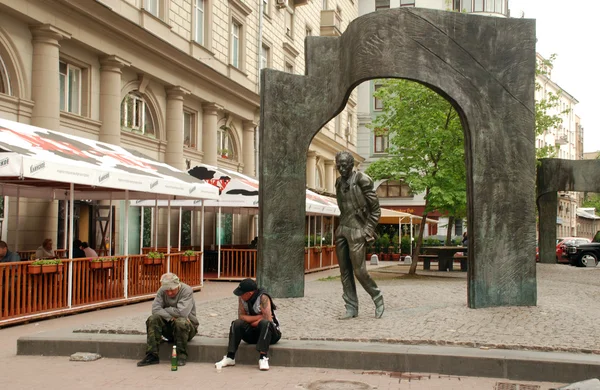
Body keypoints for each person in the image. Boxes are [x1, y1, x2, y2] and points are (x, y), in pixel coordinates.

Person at [334, 151, 384, 320]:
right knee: (345, 272)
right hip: (342, 229)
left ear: (351, 164)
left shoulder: (362, 179)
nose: (341, 168)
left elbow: (376, 210)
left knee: (359, 271)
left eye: (344, 165)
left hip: (357, 230)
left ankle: (377, 298)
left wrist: (367, 230)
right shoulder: (338, 182)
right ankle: (351, 307)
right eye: (338, 165)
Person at [215, 278, 281, 371]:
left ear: (249, 293)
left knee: (265, 324)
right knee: (236, 323)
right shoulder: (242, 298)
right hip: (253, 332)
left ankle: (263, 357)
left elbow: (268, 320)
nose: (240, 295)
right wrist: (259, 317)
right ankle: (230, 357)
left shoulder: (263, 297)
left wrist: (250, 320)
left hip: (270, 334)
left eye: (242, 293)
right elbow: (241, 317)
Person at [137, 273, 198, 367]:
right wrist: (170, 317)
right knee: (153, 319)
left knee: (180, 321)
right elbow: (155, 309)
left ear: (177, 285)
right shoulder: (162, 290)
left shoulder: (187, 290)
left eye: (172, 290)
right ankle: (152, 355)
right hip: (169, 324)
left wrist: (166, 309)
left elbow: (182, 313)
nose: (169, 293)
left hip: (188, 328)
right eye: (167, 290)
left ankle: (181, 355)